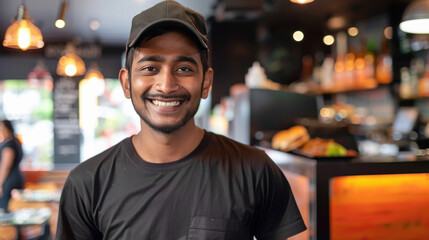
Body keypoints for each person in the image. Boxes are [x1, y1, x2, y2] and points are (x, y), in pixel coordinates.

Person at [56, 1, 307, 239]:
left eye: (184, 68)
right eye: (150, 68)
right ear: (126, 83)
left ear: (206, 82)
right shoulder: (86, 184)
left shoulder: (255, 171)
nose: (166, 85)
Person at [0, 120, 24, 212]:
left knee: (7, 208)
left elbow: (6, 166)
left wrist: (0, 183)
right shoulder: (16, 142)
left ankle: (9, 227)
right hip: (15, 177)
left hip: (9, 180)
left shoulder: (9, 145)